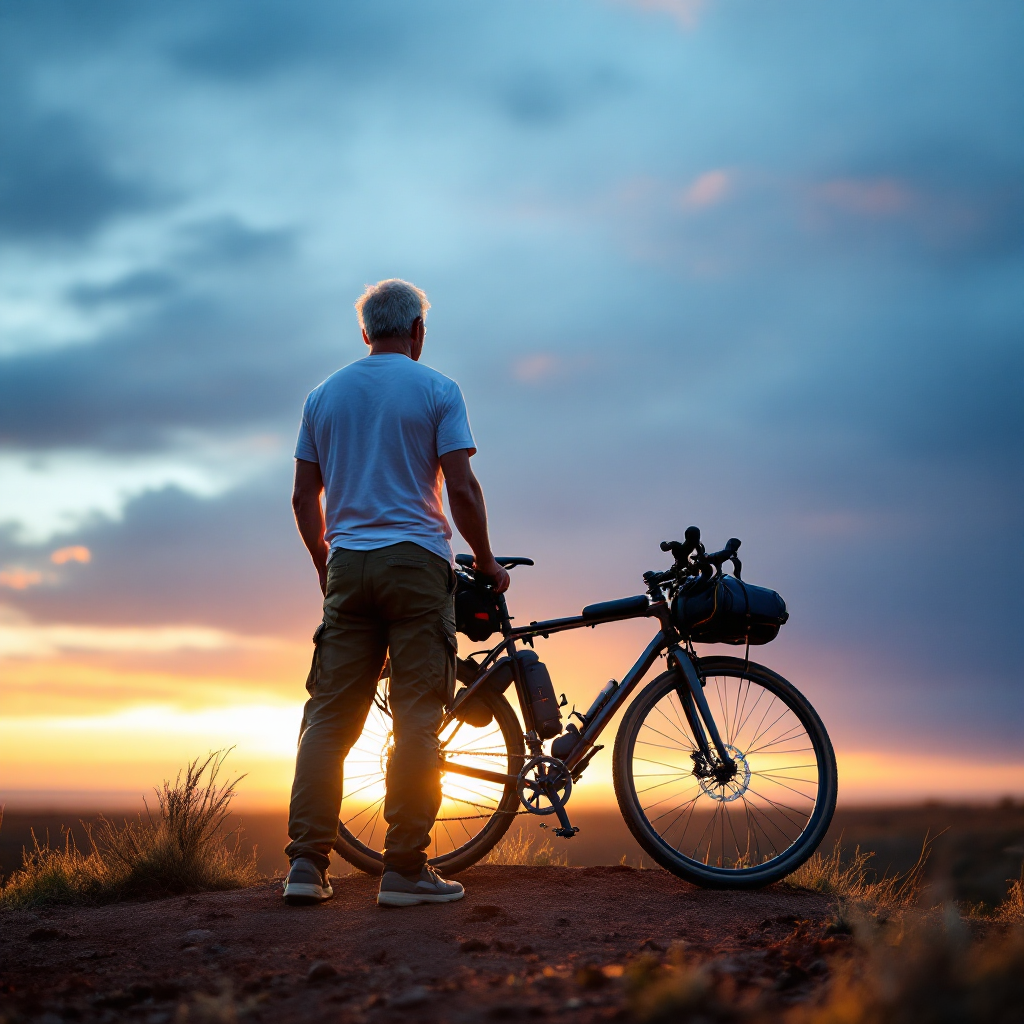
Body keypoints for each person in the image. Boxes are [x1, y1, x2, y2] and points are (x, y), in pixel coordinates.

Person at [282, 278, 509, 908]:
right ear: (417, 333)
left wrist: (326, 564)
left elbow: (305, 498)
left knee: (329, 718)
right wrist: (487, 561)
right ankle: (404, 869)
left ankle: (306, 865)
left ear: (364, 334)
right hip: (416, 565)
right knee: (416, 718)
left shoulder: (321, 397)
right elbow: (461, 489)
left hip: (348, 565)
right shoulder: (438, 389)